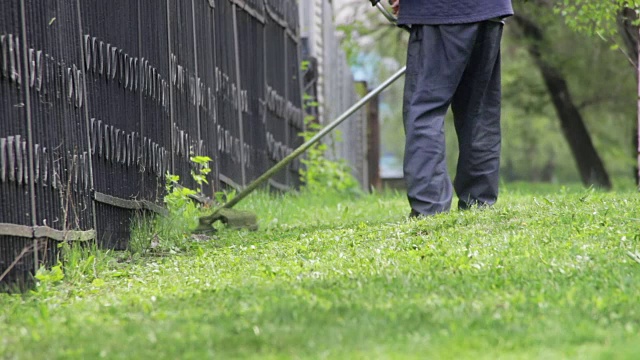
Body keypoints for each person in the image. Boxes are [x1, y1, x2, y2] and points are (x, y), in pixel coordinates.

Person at [390, 0, 513, 217]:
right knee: (480, 110)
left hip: (438, 11)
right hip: (490, 10)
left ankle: (430, 210)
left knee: (426, 110)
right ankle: (478, 206)